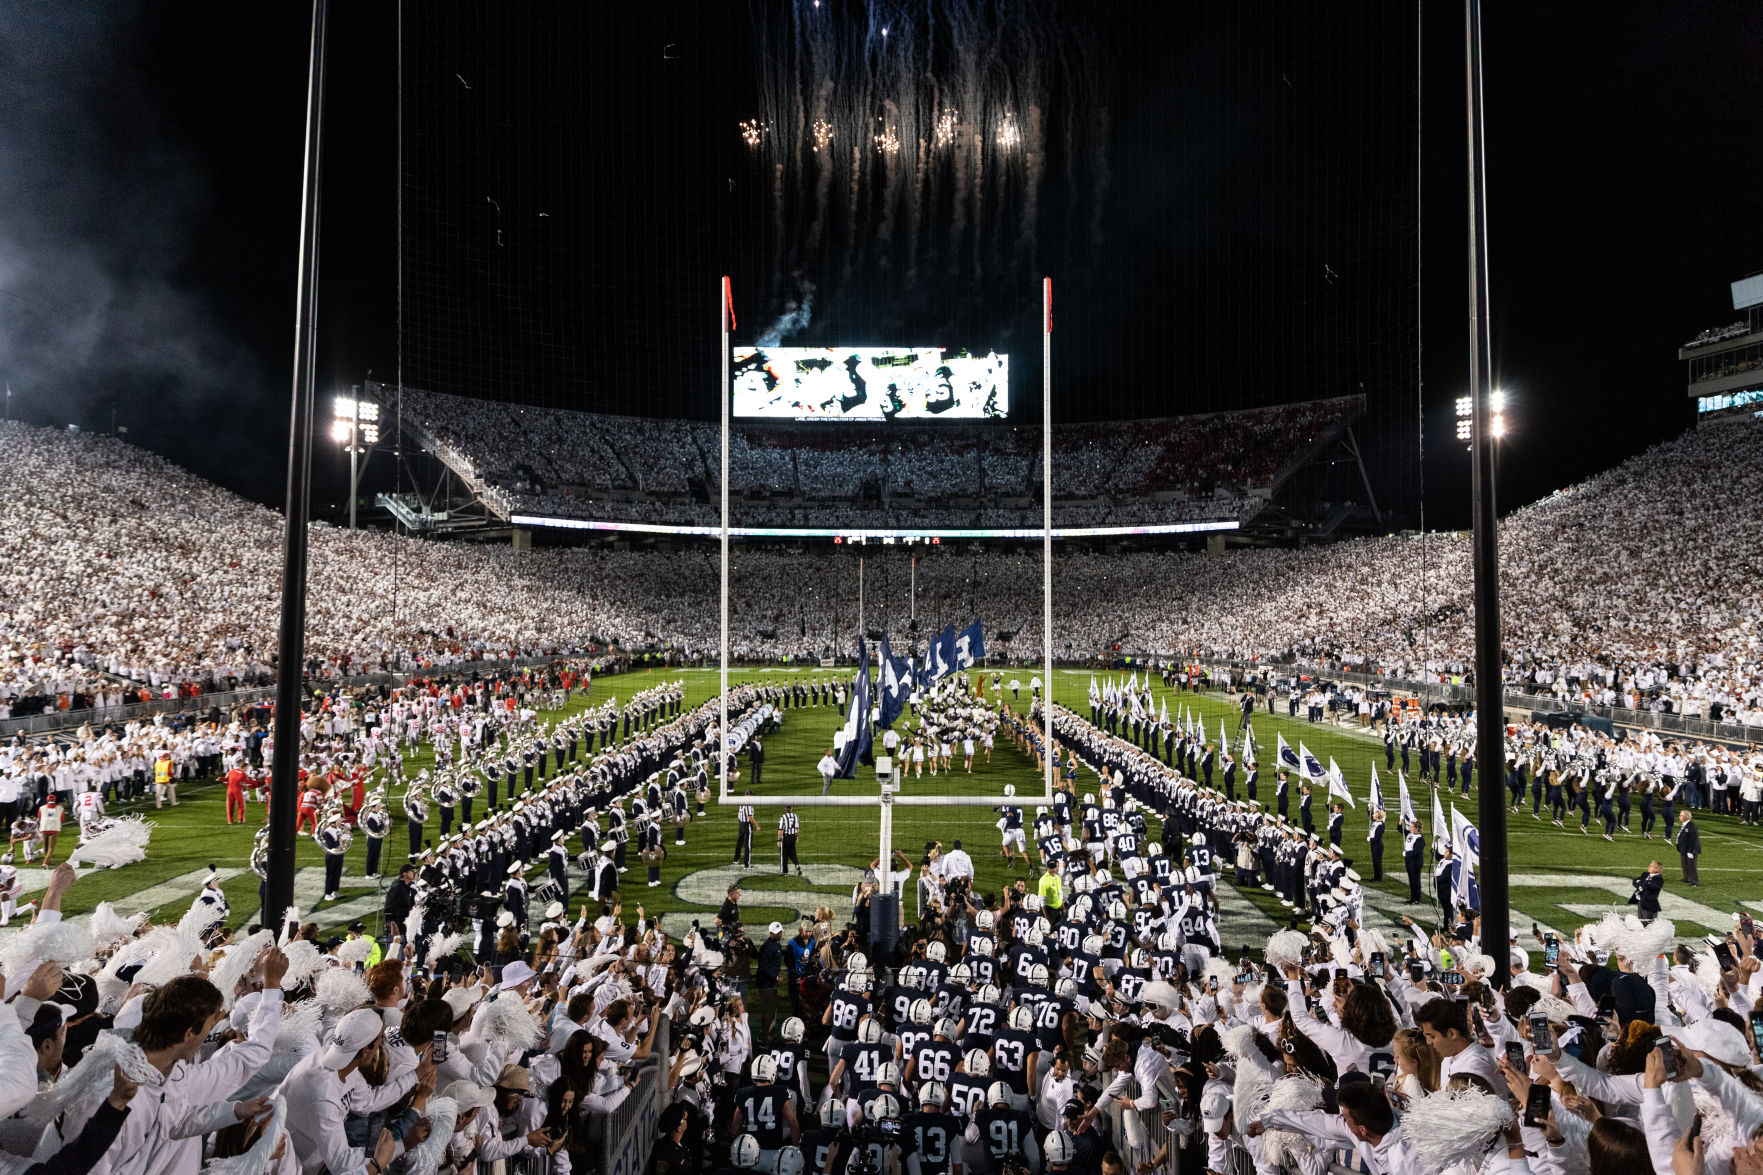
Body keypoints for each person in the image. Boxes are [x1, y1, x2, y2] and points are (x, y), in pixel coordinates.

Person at [1674, 810, 1700, 886]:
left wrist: (1691, 851)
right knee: (1684, 864)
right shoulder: (1685, 825)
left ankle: (1694, 881)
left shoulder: (1691, 825)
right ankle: (1687, 878)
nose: (1679, 817)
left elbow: (1694, 839)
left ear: (1687, 817)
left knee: (1691, 866)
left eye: (1681, 815)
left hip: (1690, 850)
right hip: (1683, 849)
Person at [778, 805, 800, 876]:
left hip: (786, 838)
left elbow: (781, 830)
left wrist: (778, 840)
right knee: (793, 853)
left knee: (784, 855)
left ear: (785, 808)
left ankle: (784, 871)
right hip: (793, 837)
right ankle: (796, 864)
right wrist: (796, 836)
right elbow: (797, 828)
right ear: (791, 808)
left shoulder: (783, 817)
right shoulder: (795, 816)